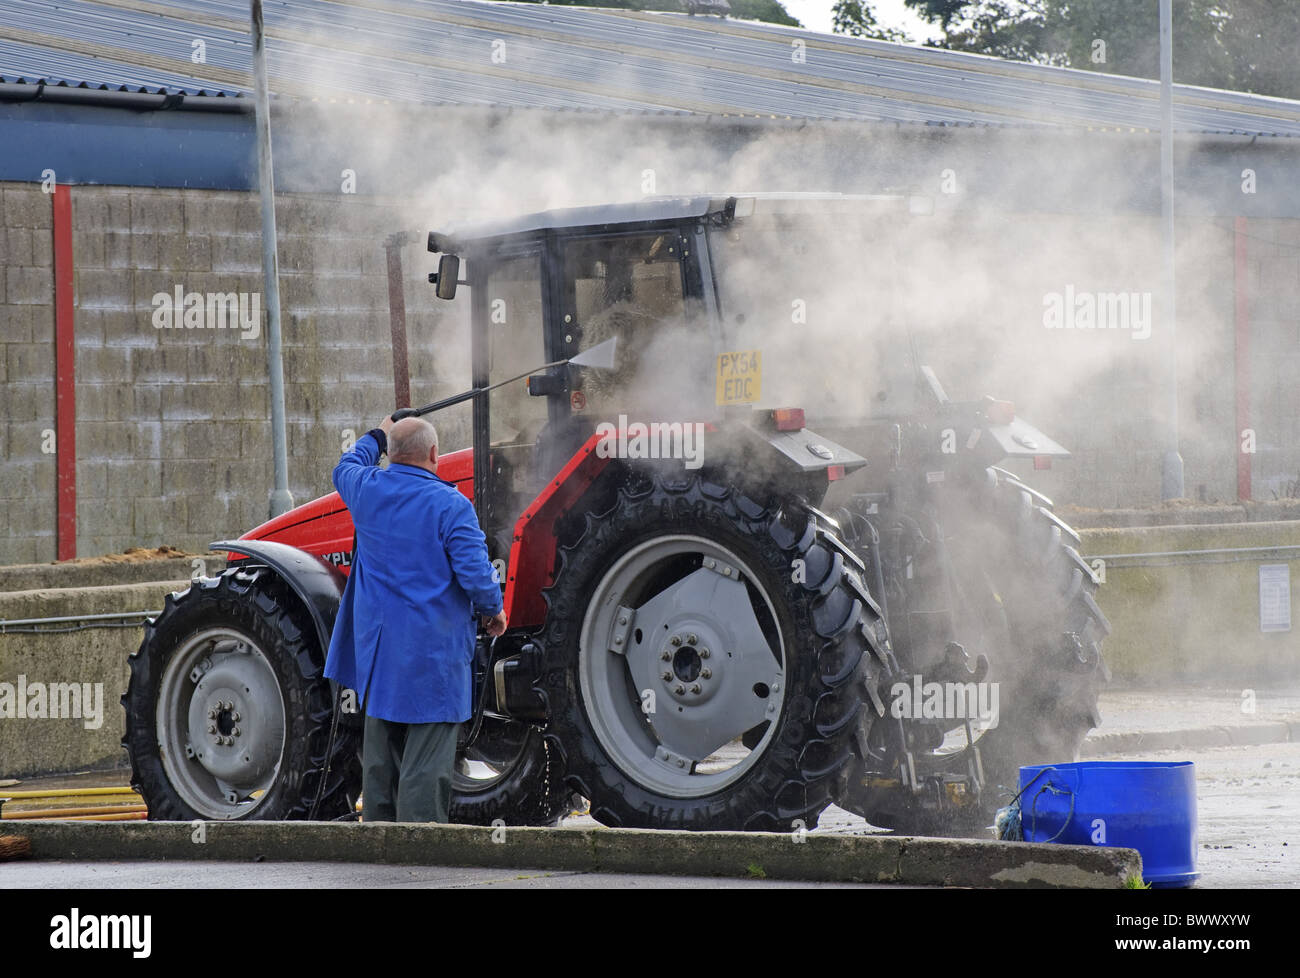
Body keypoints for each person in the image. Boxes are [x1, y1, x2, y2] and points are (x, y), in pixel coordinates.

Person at [324, 414, 506, 823]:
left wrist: (377, 433)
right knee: (425, 763)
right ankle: (418, 854)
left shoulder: (368, 491)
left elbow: (345, 466)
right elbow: (477, 576)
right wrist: (494, 611)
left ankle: (380, 843)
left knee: (380, 759)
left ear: (392, 453)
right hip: (433, 657)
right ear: (434, 454)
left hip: (380, 656)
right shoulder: (451, 505)